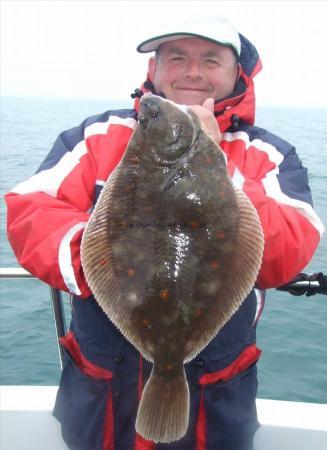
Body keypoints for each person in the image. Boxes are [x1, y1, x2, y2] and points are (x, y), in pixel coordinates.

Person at [5, 17, 324, 450]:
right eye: (177, 58)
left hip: (215, 388)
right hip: (102, 385)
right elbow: (31, 214)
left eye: (211, 59)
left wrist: (216, 165)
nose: (193, 71)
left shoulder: (267, 154)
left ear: (237, 74)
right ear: (153, 70)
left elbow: (288, 250)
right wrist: (109, 262)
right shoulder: (97, 136)